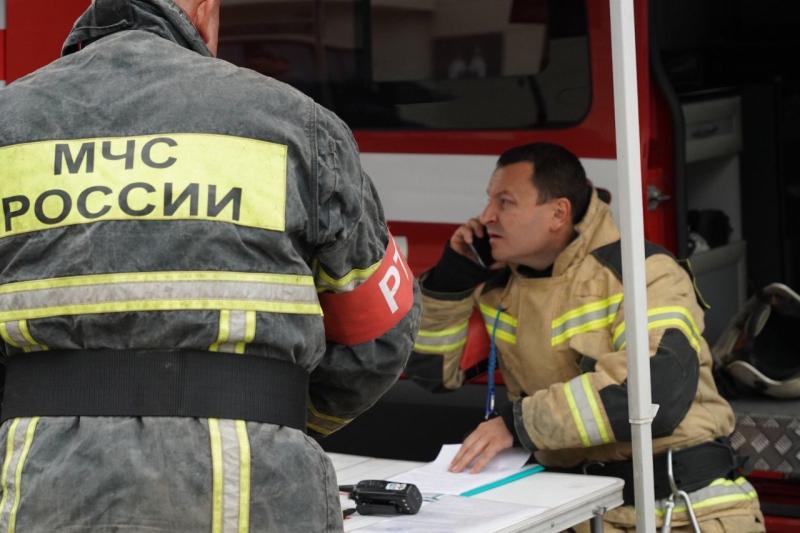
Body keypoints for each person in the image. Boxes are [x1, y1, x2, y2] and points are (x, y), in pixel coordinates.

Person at [0, 0, 420, 531]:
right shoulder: (295, 122)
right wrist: (272, 416)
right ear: (203, 10)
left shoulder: (8, 123)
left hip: (42, 486)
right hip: (255, 488)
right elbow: (378, 331)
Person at [406, 142, 764, 532]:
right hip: (584, 512)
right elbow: (431, 373)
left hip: (683, 512)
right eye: (489, 200)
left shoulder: (642, 272)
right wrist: (448, 283)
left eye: (505, 203)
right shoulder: (499, 286)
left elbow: (655, 391)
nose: (486, 216)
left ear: (558, 213)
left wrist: (518, 424)